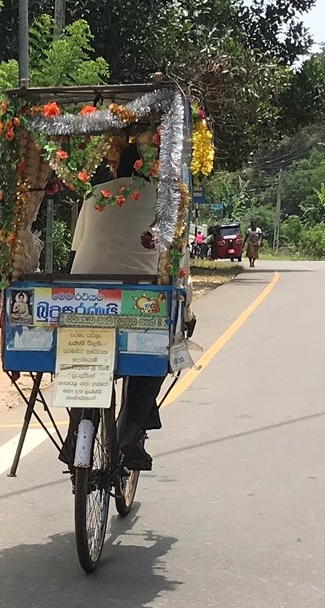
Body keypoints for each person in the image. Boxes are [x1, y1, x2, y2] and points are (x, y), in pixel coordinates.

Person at [61, 140, 194, 472]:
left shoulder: (94, 196)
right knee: (158, 348)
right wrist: (187, 310)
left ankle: (75, 428)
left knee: (83, 352)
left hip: (85, 302)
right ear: (153, 168)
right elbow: (179, 266)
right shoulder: (168, 203)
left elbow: (78, 251)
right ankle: (132, 430)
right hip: (140, 307)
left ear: (115, 165)